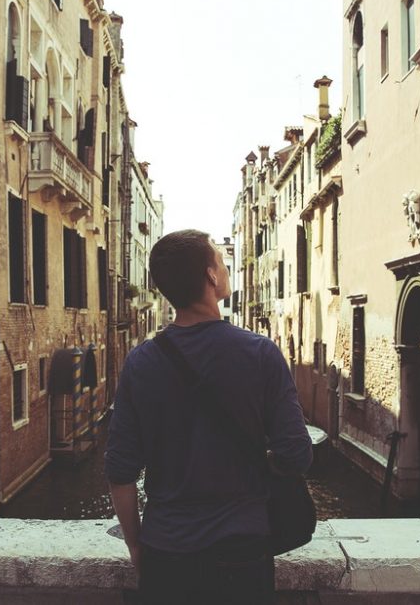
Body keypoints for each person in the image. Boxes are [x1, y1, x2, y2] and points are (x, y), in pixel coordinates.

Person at [104, 229, 312, 605]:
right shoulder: (261, 353)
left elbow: (120, 471)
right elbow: (296, 454)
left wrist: (137, 547)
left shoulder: (139, 363)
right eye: (219, 259)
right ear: (212, 275)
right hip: (242, 552)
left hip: (166, 554)